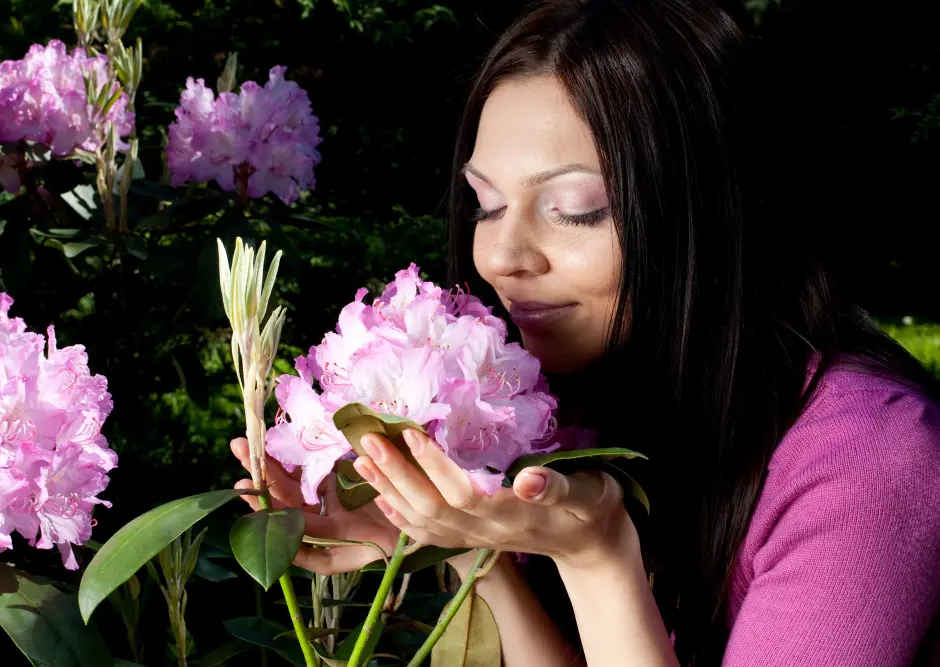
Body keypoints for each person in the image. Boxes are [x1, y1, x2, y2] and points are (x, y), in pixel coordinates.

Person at [232, 0, 940, 664]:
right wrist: (454, 536)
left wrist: (598, 557)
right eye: (486, 204)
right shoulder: (580, 401)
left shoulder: (870, 461)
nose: (502, 257)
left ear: (707, 215)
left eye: (574, 209)